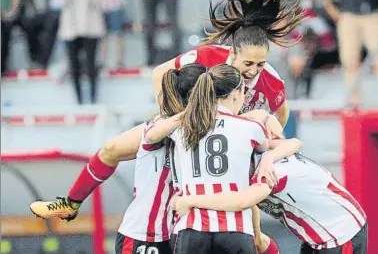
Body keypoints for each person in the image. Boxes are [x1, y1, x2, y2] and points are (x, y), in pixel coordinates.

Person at [30, 63, 293, 254]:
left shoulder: (219, 128)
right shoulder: (163, 129)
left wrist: (267, 118)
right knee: (111, 149)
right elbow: (111, 149)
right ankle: (69, 203)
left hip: (185, 231)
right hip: (147, 236)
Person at [144, 64, 303, 254]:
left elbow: (150, 135)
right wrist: (265, 127)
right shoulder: (251, 128)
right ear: (237, 93)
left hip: (190, 230)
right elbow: (279, 145)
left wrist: (188, 114)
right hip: (235, 232)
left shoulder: (182, 127)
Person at [152, 0, 304, 127]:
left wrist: (269, 140)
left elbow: (282, 115)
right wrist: (166, 117)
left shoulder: (271, 79)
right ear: (233, 53)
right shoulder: (207, 56)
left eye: (260, 64)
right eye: (248, 63)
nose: (253, 71)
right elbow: (159, 73)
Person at [172, 152, 368, 254]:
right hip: (316, 233)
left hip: (340, 232)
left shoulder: (270, 175)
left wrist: (190, 200)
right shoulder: (264, 156)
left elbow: (243, 201)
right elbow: (292, 141)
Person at [55, 0, 105, 104]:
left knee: (91, 64)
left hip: (91, 27)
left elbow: (98, 0)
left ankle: (93, 98)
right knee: (73, 65)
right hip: (70, 28)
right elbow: (61, 0)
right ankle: (79, 101)